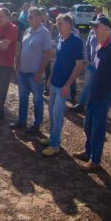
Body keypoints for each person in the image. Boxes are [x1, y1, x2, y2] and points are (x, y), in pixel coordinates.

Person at [72, 16, 111, 170]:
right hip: (94, 93)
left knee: (98, 129)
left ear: (107, 29)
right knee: (88, 125)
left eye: (97, 26)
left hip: (103, 96)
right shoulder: (99, 46)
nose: (94, 29)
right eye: (93, 26)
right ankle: (88, 151)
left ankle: (95, 160)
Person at [41, 13, 84, 155]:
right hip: (54, 83)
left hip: (63, 86)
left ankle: (55, 146)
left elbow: (79, 66)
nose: (57, 26)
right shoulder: (60, 39)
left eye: (60, 23)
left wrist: (68, 85)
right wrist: (50, 78)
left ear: (69, 25)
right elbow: (57, 61)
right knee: (52, 113)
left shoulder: (76, 42)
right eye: (57, 23)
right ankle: (53, 138)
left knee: (58, 114)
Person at [11, 7, 52, 134]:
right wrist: (17, 65)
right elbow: (22, 50)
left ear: (39, 18)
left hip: (35, 74)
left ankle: (36, 124)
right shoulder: (27, 31)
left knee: (37, 100)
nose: (28, 19)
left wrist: (40, 72)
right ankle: (22, 121)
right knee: (23, 99)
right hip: (23, 72)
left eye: (31, 16)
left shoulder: (45, 33)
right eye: (28, 16)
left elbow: (47, 54)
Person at [70, 21, 99, 113]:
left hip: (101, 67)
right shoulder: (91, 32)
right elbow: (87, 46)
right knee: (87, 85)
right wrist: (87, 59)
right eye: (94, 25)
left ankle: (95, 106)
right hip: (91, 65)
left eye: (96, 25)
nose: (94, 26)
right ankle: (81, 105)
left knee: (98, 86)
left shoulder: (109, 34)